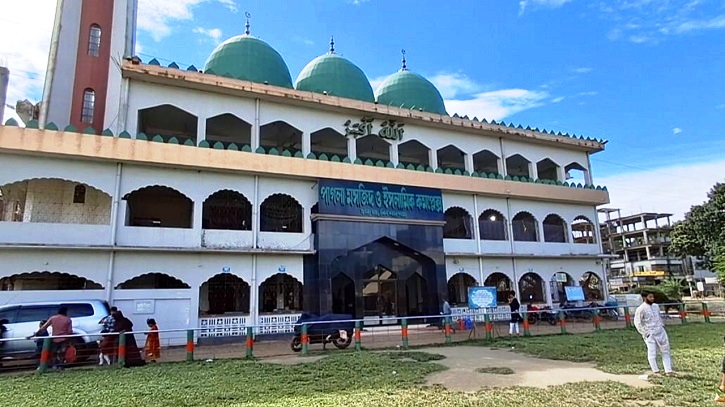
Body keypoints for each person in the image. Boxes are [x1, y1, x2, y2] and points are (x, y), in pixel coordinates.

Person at [634, 291, 675, 377]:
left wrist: (661, 326)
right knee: (652, 352)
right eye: (650, 297)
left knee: (666, 350)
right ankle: (656, 371)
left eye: (653, 297)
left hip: (660, 330)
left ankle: (668, 370)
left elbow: (658, 317)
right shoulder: (640, 309)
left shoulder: (656, 306)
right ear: (645, 298)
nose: (652, 299)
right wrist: (645, 333)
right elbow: (637, 322)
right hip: (650, 333)